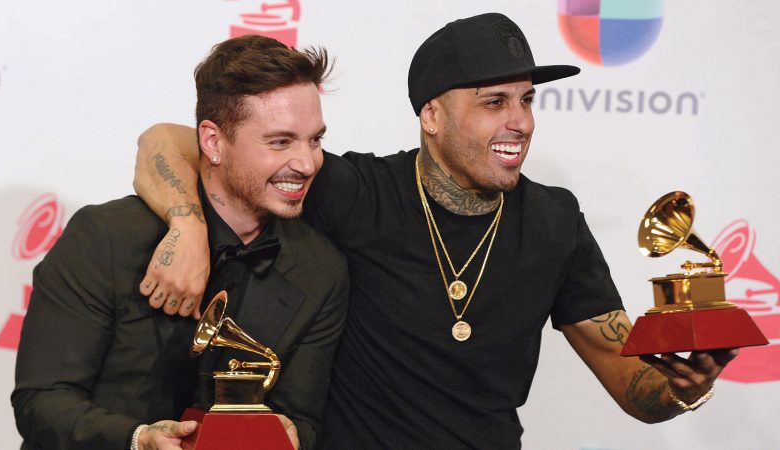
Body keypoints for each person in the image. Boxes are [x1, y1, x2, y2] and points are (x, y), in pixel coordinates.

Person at [132, 13, 737, 449]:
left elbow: (631, 382)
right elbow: (168, 141)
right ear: (431, 116)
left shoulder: (554, 220)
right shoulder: (357, 191)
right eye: (494, 102)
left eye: (527, 100)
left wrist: (684, 386)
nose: (521, 122)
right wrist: (187, 227)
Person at [12, 34, 348, 450]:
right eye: (280, 141)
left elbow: (305, 419)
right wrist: (138, 439)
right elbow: (41, 402)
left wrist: (289, 434)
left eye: (315, 140)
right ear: (213, 142)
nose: (307, 163)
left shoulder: (321, 269)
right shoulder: (106, 237)